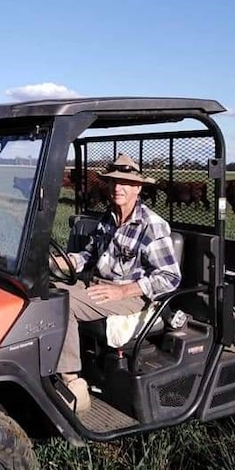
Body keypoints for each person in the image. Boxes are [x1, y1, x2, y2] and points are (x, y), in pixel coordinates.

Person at [55, 153, 182, 412]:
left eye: (125, 183)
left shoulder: (151, 226)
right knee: (46, 290)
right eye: (113, 182)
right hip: (100, 286)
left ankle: (71, 383)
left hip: (132, 295)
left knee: (62, 302)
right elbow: (89, 256)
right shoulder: (108, 218)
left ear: (138, 188)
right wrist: (63, 261)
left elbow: (170, 277)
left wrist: (122, 290)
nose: (118, 188)